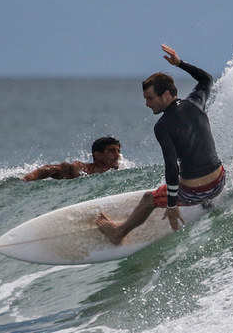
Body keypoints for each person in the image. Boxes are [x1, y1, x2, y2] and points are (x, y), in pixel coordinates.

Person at [96, 44, 225, 244]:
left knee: (148, 199)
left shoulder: (163, 126)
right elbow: (206, 78)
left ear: (166, 94)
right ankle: (208, 204)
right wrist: (180, 63)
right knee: (197, 161)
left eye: (150, 98)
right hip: (219, 182)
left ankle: (118, 233)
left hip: (196, 191)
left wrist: (172, 206)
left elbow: (172, 168)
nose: (147, 104)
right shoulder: (195, 102)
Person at [21, 136, 122, 181]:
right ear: (98, 155)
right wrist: (27, 179)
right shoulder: (83, 169)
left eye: (118, 151)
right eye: (112, 151)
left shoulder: (116, 172)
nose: (117, 155)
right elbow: (54, 168)